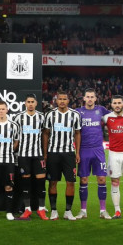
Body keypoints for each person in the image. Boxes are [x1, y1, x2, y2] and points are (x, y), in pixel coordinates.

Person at [43, 91, 81, 221]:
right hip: (53, 153)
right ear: (56, 100)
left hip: (69, 153)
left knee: (70, 182)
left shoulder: (75, 115)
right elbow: (46, 133)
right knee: (52, 182)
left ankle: (68, 211)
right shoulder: (50, 115)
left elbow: (77, 133)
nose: (62, 101)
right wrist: (45, 153)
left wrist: (77, 152)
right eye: (60, 99)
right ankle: (54, 211)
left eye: (65, 99)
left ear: (68, 101)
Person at [11, 94, 49, 220]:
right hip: (23, 155)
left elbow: (45, 134)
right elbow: (14, 135)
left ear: (36, 103)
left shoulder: (41, 117)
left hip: (38, 155)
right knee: (25, 183)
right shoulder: (18, 117)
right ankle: (27, 210)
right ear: (25, 103)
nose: (31, 104)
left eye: (33, 102)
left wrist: (45, 154)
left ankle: (41, 209)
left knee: (41, 183)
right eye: (28, 102)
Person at [75, 88, 110, 219]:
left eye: (92, 97)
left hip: (98, 150)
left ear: (95, 98)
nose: (90, 99)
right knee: (83, 180)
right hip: (84, 150)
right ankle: (83, 210)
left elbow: (116, 115)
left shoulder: (101, 110)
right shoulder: (78, 112)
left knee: (102, 179)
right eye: (88, 97)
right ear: (84, 98)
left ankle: (103, 211)